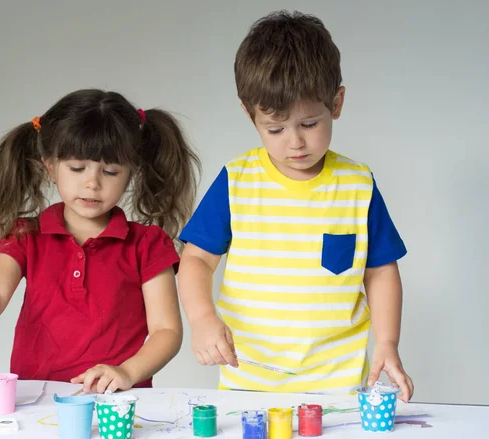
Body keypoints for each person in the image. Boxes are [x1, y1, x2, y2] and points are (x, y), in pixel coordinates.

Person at [177, 11, 414, 402]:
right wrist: (202, 319)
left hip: (337, 383)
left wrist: (387, 341)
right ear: (249, 115)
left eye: (309, 124)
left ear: (336, 103)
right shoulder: (237, 182)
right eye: (275, 129)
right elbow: (197, 259)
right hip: (249, 382)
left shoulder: (357, 185)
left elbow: (381, 270)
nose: (295, 143)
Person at [0, 89, 201, 393]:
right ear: (51, 167)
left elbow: (167, 330)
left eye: (110, 171)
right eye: (77, 168)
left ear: (131, 173)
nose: (92, 183)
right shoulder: (28, 235)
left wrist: (127, 372)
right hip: (36, 399)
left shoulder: (147, 244)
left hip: (117, 402)